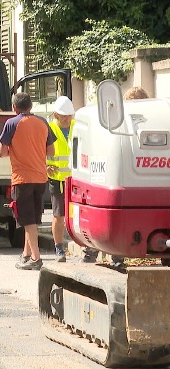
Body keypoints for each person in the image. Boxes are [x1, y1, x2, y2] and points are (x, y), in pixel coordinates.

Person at [82, 86, 150, 270]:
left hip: (110, 176)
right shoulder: (146, 120)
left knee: (107, 217)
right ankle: (113, 256)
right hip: (135, 179)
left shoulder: (116, 119)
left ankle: (95, 253)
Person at [0, 92, 56, 270]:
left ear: (14, 108)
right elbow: (51, 151)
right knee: (32, 219)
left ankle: (36, 258)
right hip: (40, 178)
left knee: (27, 220)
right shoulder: (43, 122)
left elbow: (2, 153)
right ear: (31, 106)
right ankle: (26, 254)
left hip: (22, 179)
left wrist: (16, 151)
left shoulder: (11, 123)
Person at [47, 96, 75, 262]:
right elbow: (38, 151)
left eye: (69, 115)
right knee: (59, 215)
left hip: (76, 179)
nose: (67, 118)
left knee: (77, 215)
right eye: (63, 115)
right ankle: (59, 249)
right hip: (57, 179)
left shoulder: (77, 126)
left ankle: (85, 247)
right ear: (55, 115)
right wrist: (45, 167)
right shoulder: (49, 129)